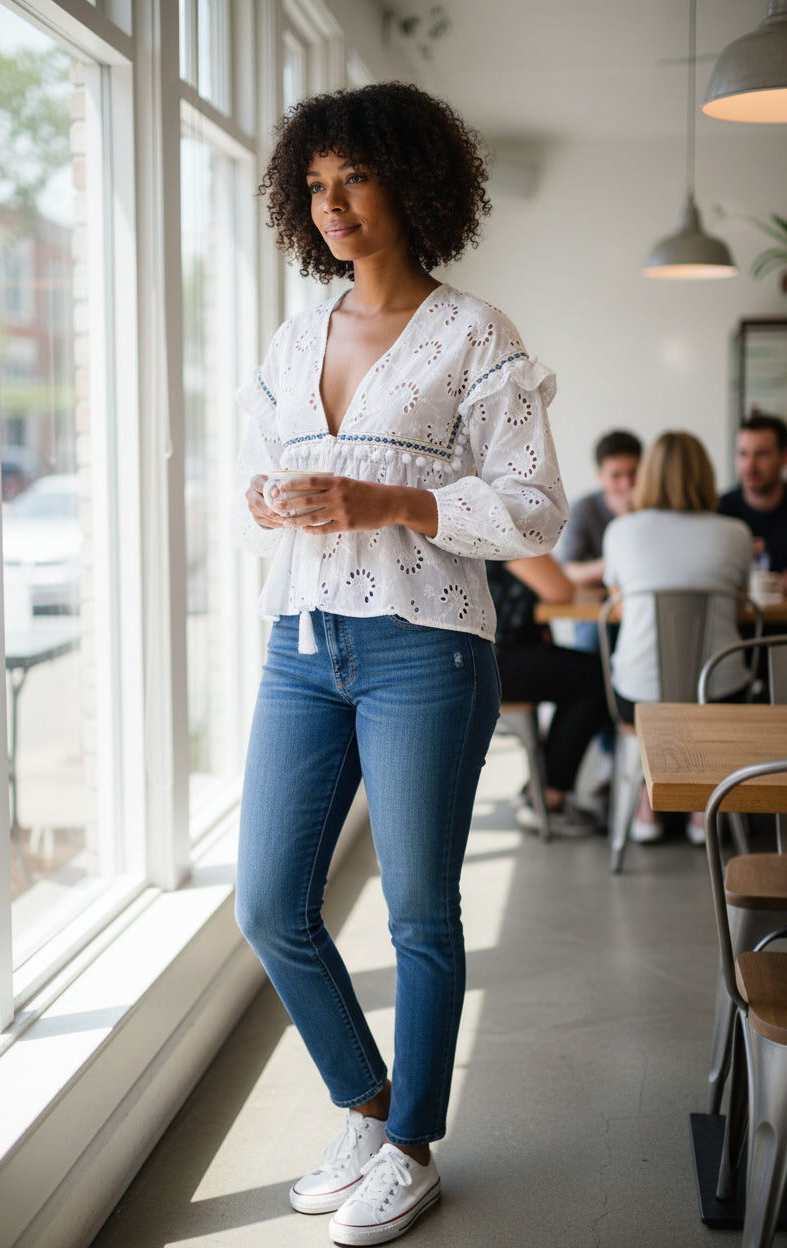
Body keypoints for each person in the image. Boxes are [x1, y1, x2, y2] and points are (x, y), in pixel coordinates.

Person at [232, 82, 568, 1247]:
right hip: (300, 642)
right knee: (271, 902)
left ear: (411, 183)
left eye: (354, 180)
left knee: (420, 909)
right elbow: (266, 471)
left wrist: (386, 497)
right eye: (315, 187)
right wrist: (273, 498)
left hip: (424, 647)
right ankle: (366, 1109)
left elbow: (533, 514)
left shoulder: (477, 335)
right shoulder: (290, 337)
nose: (332, 206)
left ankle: (413, 1145)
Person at [603, 431, 754, 845]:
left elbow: (619, 607)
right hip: (719, 695)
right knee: (715, 690)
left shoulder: (621, 531)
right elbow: (741, 609)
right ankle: (701, 805)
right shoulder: (736, 533)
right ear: (705, 475)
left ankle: (646, 808)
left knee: (646, 686)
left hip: (639, 697)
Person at [487, 554, 608, 835]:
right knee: (594, 678)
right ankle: (547, 796)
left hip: (480, 655)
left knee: (583, 673)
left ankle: (541, 788)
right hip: (499, 658)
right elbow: (561, 590)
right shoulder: (511, 531)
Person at [559, 429, 643, 591]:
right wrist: (614, 565)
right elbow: (568, 571)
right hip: (596, 610)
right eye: (616, 476)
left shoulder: (655, 508)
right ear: (600, 476)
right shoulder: (584, 509)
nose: (626, 484)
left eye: (633, 473)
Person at [717, 411, 787, 591]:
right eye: (743, 454)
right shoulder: (719, 512)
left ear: (783, 457)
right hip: (733, 618)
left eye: (761, 454)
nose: (750, 465)